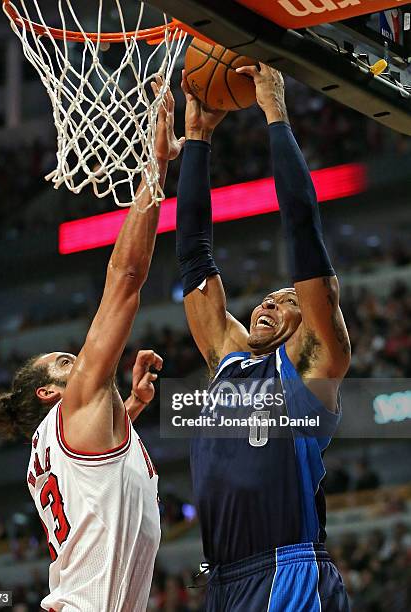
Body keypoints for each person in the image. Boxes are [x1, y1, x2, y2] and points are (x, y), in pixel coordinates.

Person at [0, 81, 184, 612]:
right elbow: (125, 276)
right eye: (67, 363)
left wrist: (132, 406)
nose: (85, 361)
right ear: (53, 394)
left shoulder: (54, 446)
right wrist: (154, 169)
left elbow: (96, 487)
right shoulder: (73, 411)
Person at [176, 65, 351, 611]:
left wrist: (275, 112)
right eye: (266, 298)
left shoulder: (315, 365)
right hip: (222, 582)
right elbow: (193, 258)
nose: (271, 302)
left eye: (288, 299)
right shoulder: (225, 355)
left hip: (287, 572)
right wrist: (198, 140)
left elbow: (303, 232)